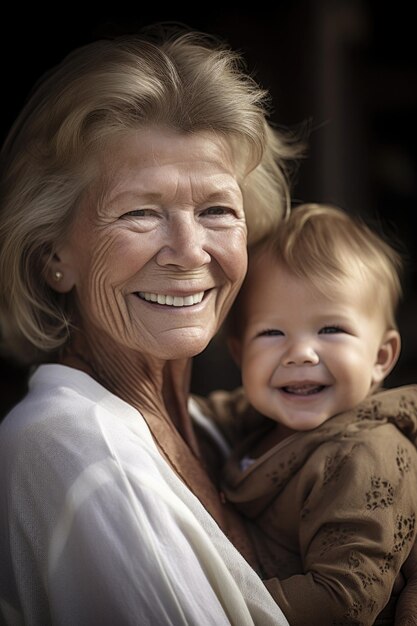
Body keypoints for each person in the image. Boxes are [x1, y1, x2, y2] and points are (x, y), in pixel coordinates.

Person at [0, 25, 416, 626]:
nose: (191, 251)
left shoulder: (233, 433)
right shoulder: (72, 449)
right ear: (53, 256)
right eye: (140, 212)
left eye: (217, 209)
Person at [210, 203, 417, 625]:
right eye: (271, 333)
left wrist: (213, 604)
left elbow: (344, 599)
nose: (301, 353)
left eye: (331, 330)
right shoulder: (265, 417)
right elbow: (219, 411)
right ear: (240, 354)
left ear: (381, 357)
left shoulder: (365, 456)